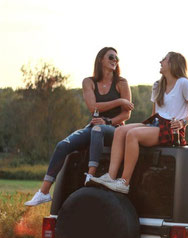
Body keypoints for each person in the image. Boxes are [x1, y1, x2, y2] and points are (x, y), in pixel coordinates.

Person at [24, 47, 133, 206]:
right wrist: (119, 101)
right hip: (94, 126)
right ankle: (44, 192)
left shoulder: (122, 83)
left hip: (115, 129)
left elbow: (126, 114)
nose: (114, 60)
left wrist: (108, 122)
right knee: (62, 145)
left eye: (117, 58)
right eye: (111, 57)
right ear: (101, 59)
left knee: (98, 129)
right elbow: (93, 107)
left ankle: (90, 177)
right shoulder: (89, 82)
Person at [89, 51, 188, 194]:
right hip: (156, 124)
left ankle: (124, 182)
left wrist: (183, 122)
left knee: (132, 134)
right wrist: (147, 128)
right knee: (119, 131)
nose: (160, 62)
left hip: (171, 130)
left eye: (164, 59)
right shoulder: (158, 85)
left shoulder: (184, 84)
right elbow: (154, 114)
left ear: (173, 63)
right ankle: (111, 177)